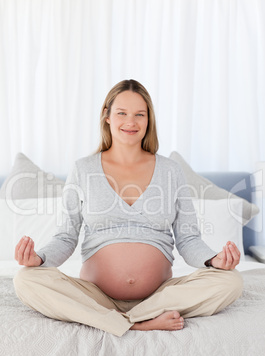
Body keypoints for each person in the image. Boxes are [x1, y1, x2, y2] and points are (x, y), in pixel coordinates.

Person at [13, 79, 243, 337]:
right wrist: (40, 259)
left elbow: (188, 239)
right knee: (25, 279)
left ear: (149, 119)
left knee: (230, 281)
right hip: (96, 297)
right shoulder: (83, 169)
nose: (130, 122)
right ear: (107, 116)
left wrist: (214, 260)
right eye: (122, 113)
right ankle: (134, 323)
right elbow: (66, 236)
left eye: (139, 115)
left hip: (159, 297)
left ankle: (124, 318)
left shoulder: (170, 171)